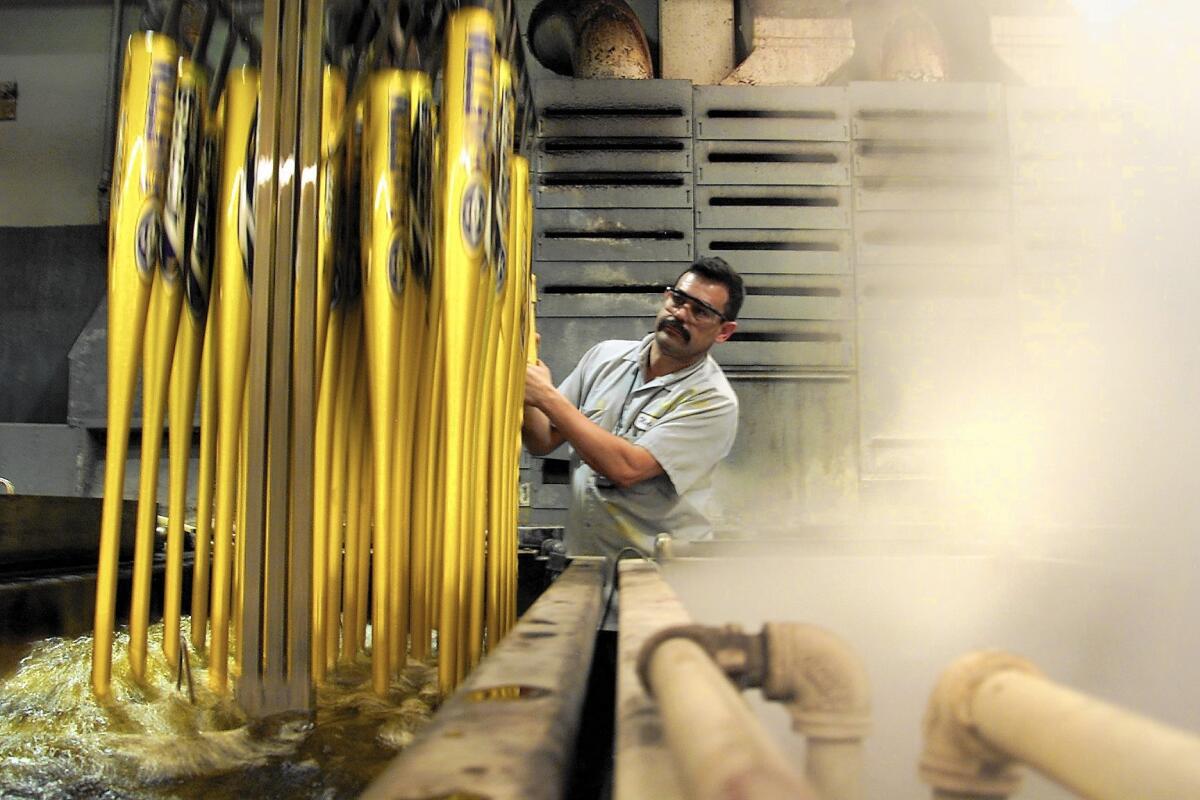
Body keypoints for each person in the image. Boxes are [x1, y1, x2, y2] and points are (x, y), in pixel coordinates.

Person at [522, 256, 744, 564]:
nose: (681, 314)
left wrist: (546, 397)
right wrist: (524, 374)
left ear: (724, 331)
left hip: (660, 574)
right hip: (587, 564)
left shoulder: (712, 401)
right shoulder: (604, 357)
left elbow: (628, 469)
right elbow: (541, 439)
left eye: (701, 312)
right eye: (678, 299)